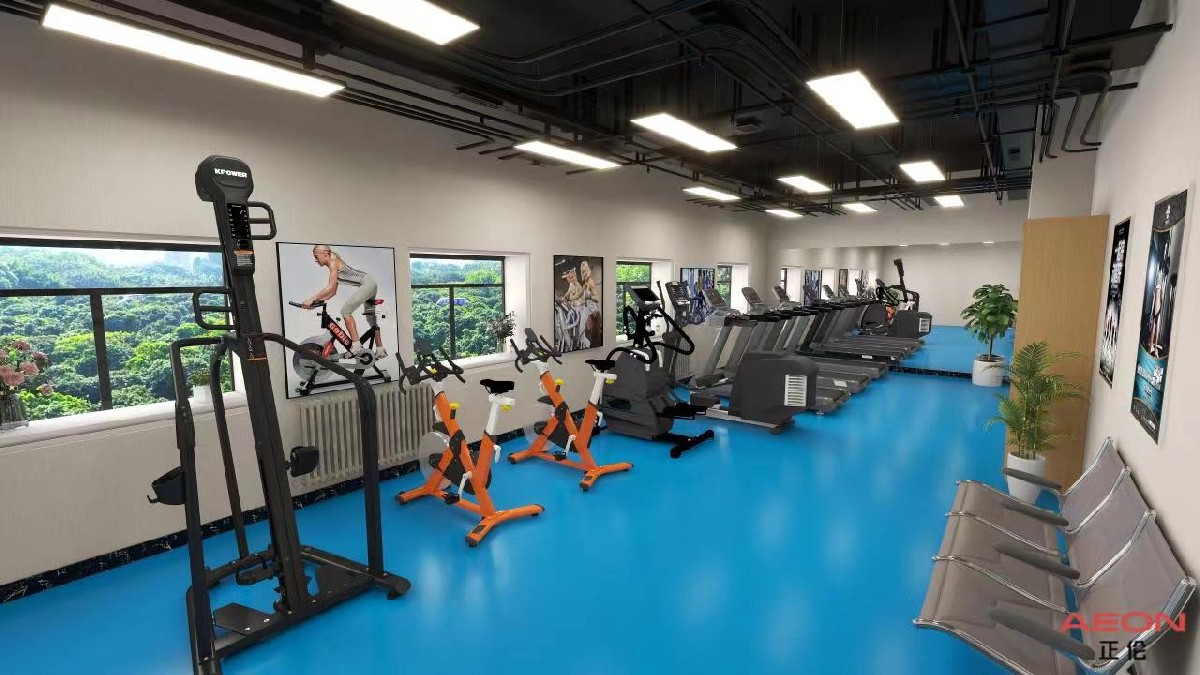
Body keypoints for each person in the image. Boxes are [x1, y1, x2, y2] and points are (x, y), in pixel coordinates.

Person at [301, 245, 383, 359]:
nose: (315, 259)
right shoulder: (333, 263)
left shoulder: (333, 263)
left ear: (325, 254)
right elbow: (332, 293)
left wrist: (311, 299)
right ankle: (380, 350)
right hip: (371, 283)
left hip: (367, 284)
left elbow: (330, 287)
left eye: (316, 256)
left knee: (345, 311)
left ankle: (356, 346)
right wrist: (315, 302)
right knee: (371, 318)